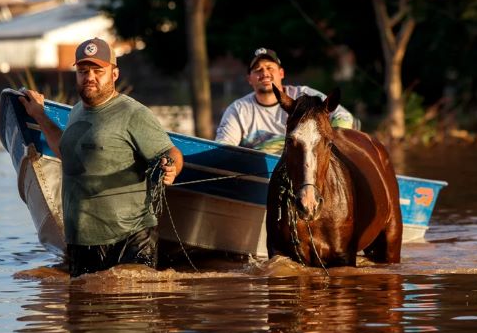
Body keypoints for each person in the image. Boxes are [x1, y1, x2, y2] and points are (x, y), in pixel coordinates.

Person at [19, 37, 184, 277]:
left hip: (130, 238)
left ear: (114, 74)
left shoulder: (133, 113)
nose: (90, 77)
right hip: (81, 241)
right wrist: (40, 116)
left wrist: (171, 168)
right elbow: (66, 153)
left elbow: (170, 153)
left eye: (98, 70)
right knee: (83, 308)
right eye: (83, 71)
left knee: (130, 308)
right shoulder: (76, 111)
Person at [215, 47, 355, 154]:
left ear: (281, 73)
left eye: (270, 68)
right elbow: (223, 147)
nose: (264, 73)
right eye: (258, 70)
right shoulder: (238, 110)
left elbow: (343, 116)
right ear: (249, 79)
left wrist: (329, 141)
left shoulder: (305, 96)